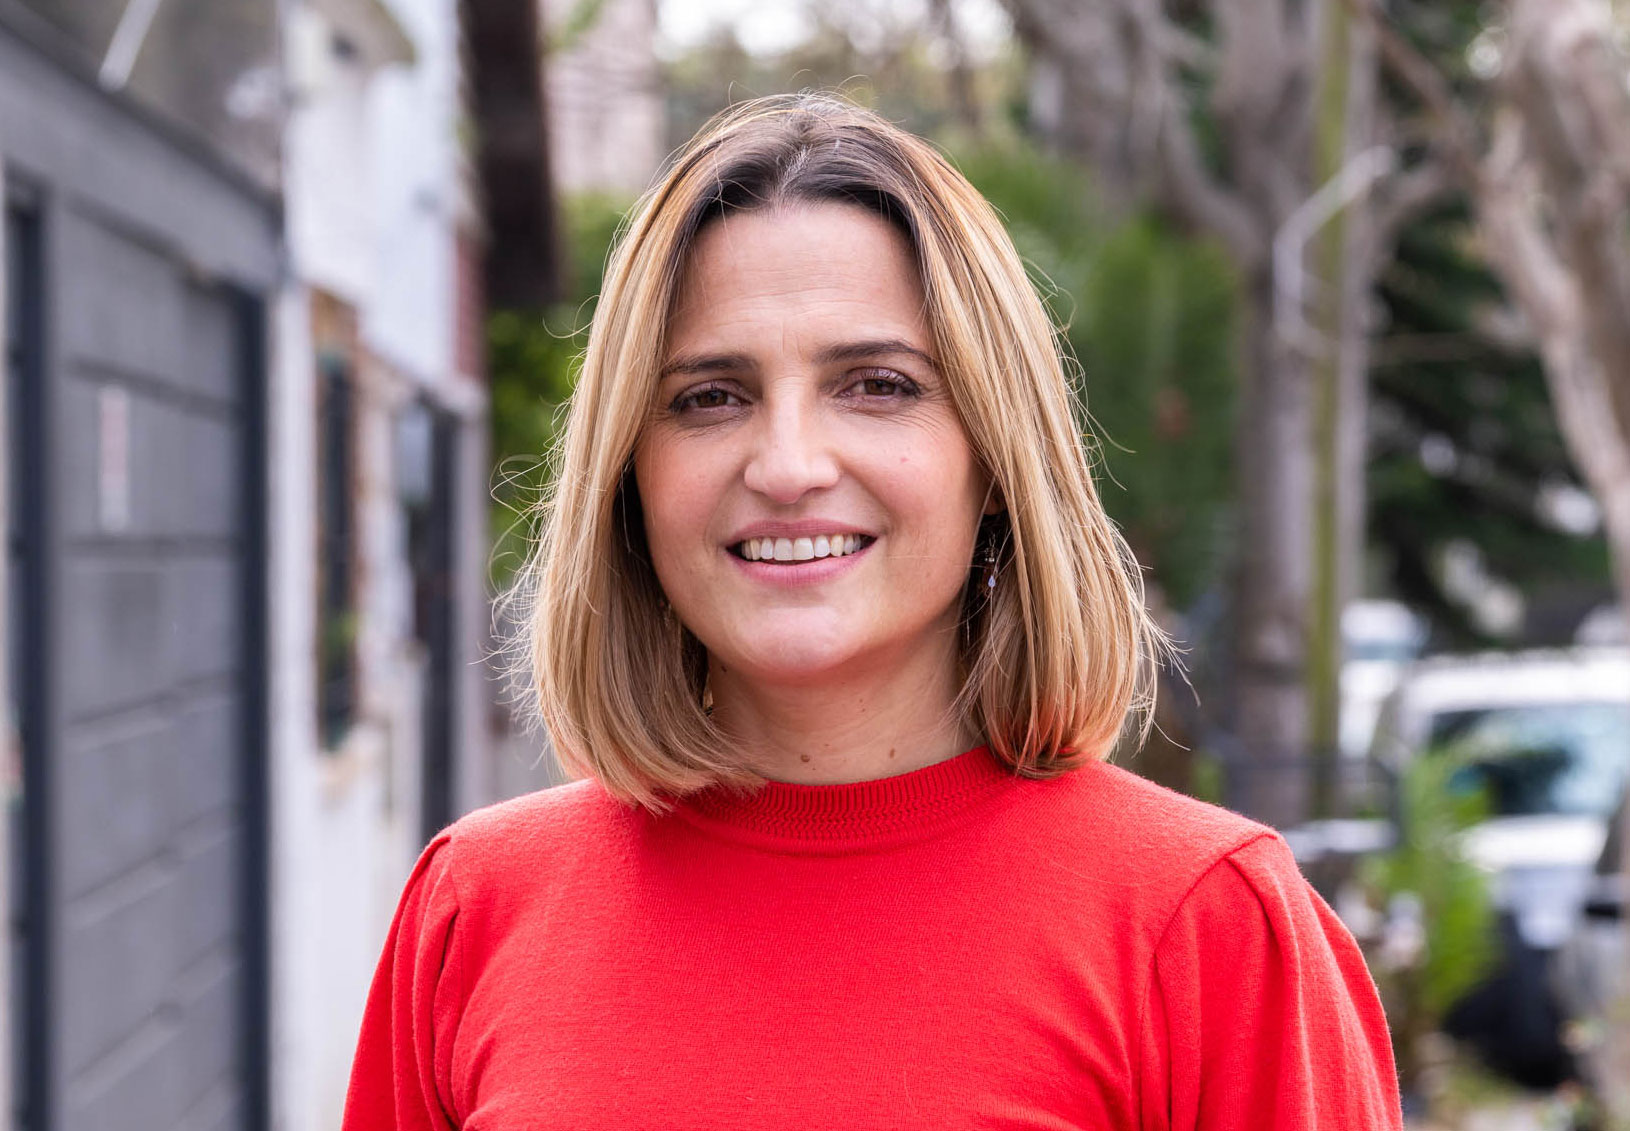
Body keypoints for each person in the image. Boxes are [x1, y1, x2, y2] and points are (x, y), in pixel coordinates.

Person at [341, 93, 1403, 1130]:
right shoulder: (474, 910)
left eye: (877, 385)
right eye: (710, 397)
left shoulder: (1207, 926)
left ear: (993, 458)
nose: (788, 464)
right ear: (630, 476)